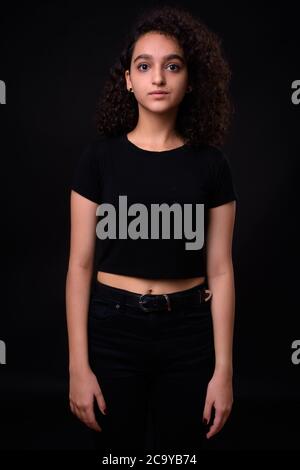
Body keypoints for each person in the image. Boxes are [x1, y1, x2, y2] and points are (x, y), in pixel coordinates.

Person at [65, 4, 238, 454]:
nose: (158, 78)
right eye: (144, 66)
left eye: (172, 66)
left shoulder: (212, 165)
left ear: (190, 78)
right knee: (119, 454)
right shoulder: (98, 160)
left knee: (178, 454)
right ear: (128, 79)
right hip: (113, 327)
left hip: (187, 331)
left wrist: (224, 371)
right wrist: (77, 367)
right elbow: (80, 265)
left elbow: (220, 270)